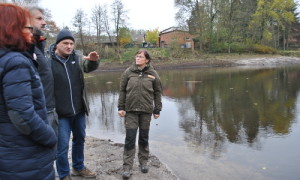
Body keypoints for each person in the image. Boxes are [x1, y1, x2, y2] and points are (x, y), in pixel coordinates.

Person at [0, 3, 56, 180]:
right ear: (13, 28)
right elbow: (21, 114)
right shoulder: (16, 62)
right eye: (27, 27)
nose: (31, 32)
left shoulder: (6, 59)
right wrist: (49, 136)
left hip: (10, 149)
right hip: (25, 153)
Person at [49, 28, 100, 180]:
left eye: (71, 43)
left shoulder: (76, 57)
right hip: (61, 113)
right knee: (62, 147)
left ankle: (78, 167)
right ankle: (64, 175)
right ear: (57, 44)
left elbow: (87, 67)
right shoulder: (47, 60)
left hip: (79, 111)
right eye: (65, 43)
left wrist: (92, 61)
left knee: (80, 140)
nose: (69, 46)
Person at [118, 50, 162, 178]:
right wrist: (121, 107)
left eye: (140, 57)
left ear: (147, 60)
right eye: (136, 56)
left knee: (143, 138)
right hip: (130, 110)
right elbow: (122, 91)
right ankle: (127, 167)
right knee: (130, 138)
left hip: (146, 111)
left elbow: (158, 92)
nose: (137, 58)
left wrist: (157, 109)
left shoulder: (153, 74)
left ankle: (143, 162)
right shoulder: (128, 72)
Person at [29, 6, 58, 135]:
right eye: (39, 19)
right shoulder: (24, 49)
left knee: (52, 152)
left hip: (50, 110)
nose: (44, 22)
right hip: (39, 113)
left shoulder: (38, 47)